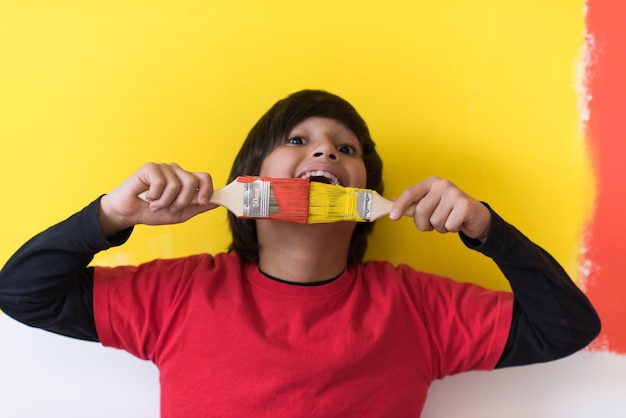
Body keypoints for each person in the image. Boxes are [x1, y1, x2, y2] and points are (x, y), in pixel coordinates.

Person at [0, 90, 600, 417]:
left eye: (347, 148)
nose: (327, 153)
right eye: (298, 141)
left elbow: (569, 327)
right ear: (249, 182)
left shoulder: (415, 306)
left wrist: (485, 228)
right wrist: (112, 215)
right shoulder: (179, 295)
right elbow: (21, 292)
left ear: (366, 191)